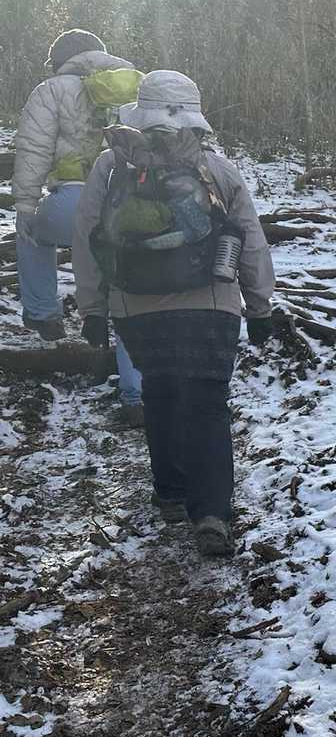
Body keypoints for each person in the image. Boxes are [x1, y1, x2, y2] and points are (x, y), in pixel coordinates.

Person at [72, 70, 276, 558]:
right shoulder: (216, 168)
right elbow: (250, 238)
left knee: (160, 392)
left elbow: (87, 236)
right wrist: (260, 306)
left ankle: (170, 494)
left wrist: (92, 308)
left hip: (135, 308)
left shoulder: (111, 166)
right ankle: (212, 514)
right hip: (210, 305)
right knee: (207, 403)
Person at [13, 29, 146, 425]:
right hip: (131, 204)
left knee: (32, 231)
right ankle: (137, 397)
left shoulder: (51, 90)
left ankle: (43, 312)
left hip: (73, 201)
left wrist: (25, 205)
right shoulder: (136, 83)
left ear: (60, 60)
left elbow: (33, 150)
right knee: (126, 287)